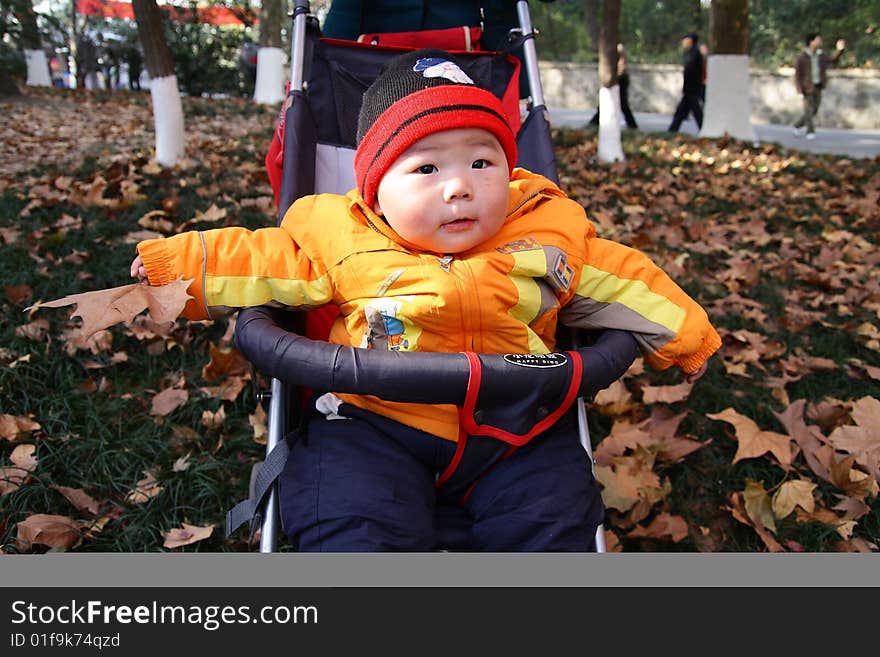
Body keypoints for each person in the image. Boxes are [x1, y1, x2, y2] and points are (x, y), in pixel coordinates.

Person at [129, 48, 721, 552]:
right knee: (349, 510)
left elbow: (625, 278)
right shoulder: (340, 237)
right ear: (376, 193)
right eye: (428, 166)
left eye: (482, 161)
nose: (460, 185)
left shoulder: (546, 231)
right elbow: (257, 259)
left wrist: (686, 335)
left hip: (515, 425)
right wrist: (169, 271)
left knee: (554, 510)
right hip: (374, 417)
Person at [793, 32, 846, 140]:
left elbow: (832, 60)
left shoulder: (821, 55)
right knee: (808, 110)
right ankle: (810, 132)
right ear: (811, 42)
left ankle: (798, 125)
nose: (819, 42)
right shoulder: (802, 57)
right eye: (817, 40)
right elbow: (797, 75)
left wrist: (840, 50)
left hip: (818, 86)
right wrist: (799, 89)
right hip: (806, 87)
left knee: (814, 110)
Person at [589, 43, 638, 130]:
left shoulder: (618, 48)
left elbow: (622, 64)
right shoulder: (614, 47)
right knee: (608, 102)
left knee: (622, 103)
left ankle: (632, 125)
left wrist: (616, 76)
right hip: (616, 78)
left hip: (619, 79)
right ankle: (594, 122)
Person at [667, 32, 704, 133]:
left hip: (692, 88)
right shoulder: (691, 52)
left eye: (685, 39)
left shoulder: (694, 53)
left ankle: (673, 130)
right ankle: (672, 130)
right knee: (683, 111)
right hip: (690, 88)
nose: (683, 42)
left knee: (696, 112)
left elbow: (690, 70)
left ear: (690, 40)